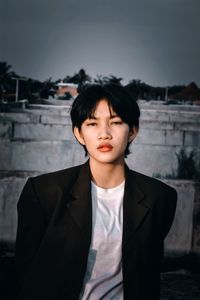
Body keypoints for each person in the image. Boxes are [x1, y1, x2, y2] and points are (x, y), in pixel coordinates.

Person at [15, 84, 177, 300]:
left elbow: (147, 274)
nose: (104, 134)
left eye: (116, 122)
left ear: (133, 131)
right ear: (79, 133)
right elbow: (25, 273)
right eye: (92, 123)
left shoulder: (160, 197)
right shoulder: (44, 193)